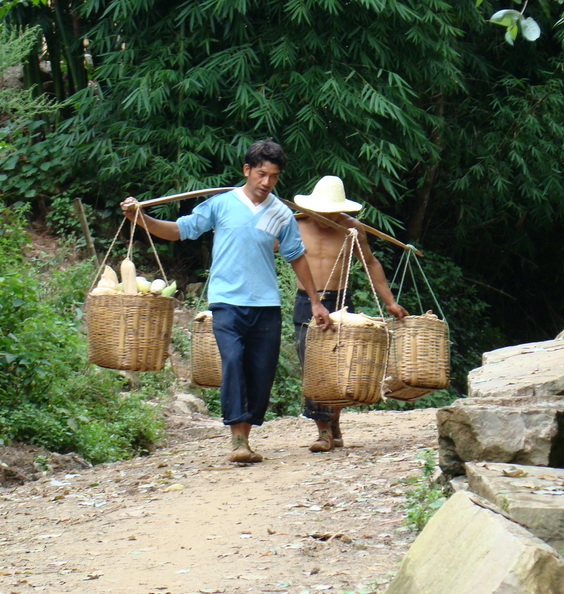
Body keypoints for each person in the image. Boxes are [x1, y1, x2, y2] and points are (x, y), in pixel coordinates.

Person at [120, 139, 331, 463]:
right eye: (261, 174)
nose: (266, 182)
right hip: (226, 302)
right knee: (233, 362)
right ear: (246, 170)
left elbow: (295, 256)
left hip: (265, 305)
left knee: (260, 371)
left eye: (273, 177)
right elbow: (180, 230)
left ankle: (245, 437)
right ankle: (238, 441)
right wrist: (142, 220)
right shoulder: (221, 205)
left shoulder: (281, 214)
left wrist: (316, 302)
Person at [292, 175, 408, 452]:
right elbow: (262, 246)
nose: (325, 217)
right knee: (313, 367)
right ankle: (323, 431)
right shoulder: (295, 225)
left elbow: (370, 262)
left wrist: (390, 301)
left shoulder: (351, 229)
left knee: (338, 366)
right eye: (321, 211)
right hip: (306, 301)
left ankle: (332, 423)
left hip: (339, 301)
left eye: (331, 212)